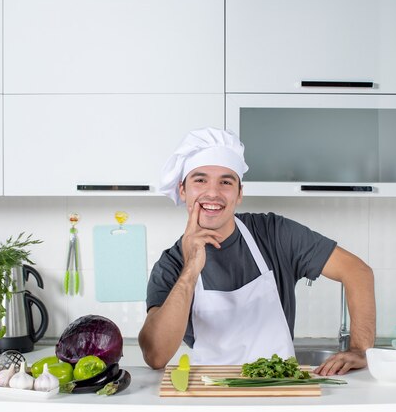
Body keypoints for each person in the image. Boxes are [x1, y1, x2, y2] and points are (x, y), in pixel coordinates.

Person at [138, 127, 375, 375]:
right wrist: (190, 269)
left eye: (226, 182)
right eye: (200, 180)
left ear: (239, 193)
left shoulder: (274, 233)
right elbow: (156, 355)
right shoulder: (171, 264)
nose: (213, 193)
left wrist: (360, 349)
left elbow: (357, 272)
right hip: (210, 394)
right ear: (183, 190)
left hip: (279, 390)